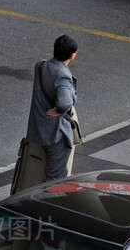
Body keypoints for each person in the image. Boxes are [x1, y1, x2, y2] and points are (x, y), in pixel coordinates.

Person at [26, 35, 79, 182]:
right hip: (55, 134)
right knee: (54, 178)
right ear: (72, 55)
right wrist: (60, 109)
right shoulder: (63, 76)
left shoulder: (40, 66)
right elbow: (65, 102)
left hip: (39, 128)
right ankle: (49, 201)